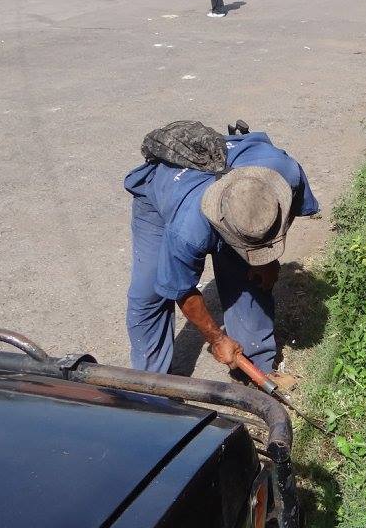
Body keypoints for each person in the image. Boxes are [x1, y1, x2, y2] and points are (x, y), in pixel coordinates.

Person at [123, 129, 319, 378]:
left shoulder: (285, 172)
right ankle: (153, 384)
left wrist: (265, 258)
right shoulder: (188, 231)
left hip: (231, 200)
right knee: (150, 291)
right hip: (160, 196)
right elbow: (180, 288)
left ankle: (256, 370)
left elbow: (288, 210)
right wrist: (216, 338)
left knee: (247, 281)